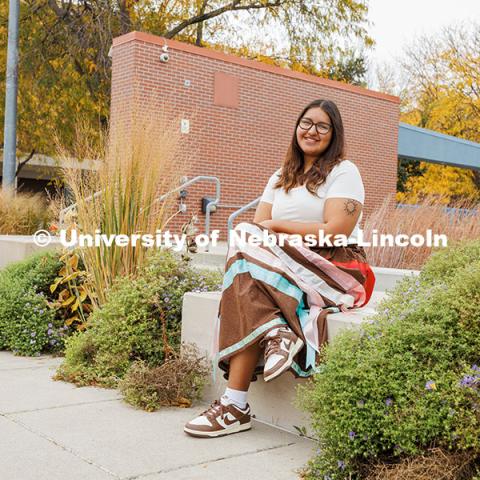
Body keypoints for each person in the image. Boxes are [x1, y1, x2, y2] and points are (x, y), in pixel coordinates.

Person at [183, 99, 376, 438]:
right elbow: (258, 228)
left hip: (334, 265)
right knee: (244, 258)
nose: (311, 131)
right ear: (295, 127)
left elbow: (336, 231)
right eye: (306, 122)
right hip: (284, 262)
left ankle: (235, 405)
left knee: (243, 267)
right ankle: (273, 337)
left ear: (334, 134)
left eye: (322, 126)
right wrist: (273, 229)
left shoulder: (343, 171)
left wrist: (281, 226)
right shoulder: (280, 176)